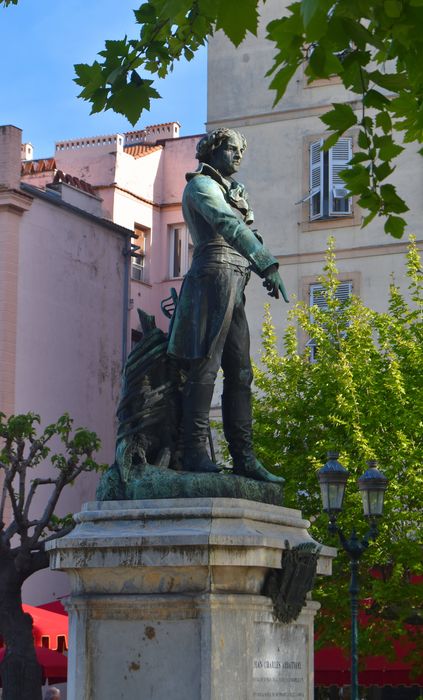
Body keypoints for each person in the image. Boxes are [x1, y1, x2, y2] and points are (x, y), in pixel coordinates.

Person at [167, 128, 288, 482]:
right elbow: (226, 222)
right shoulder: (202, 187)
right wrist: (266, 260)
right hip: (213, 275)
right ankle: (193, 450)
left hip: (235, 278)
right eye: (233, 149)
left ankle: (244, 459)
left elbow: (243, 230)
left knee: (242, 372)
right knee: (206, 364)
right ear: (213, 150)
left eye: (242, 151)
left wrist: (257, 264)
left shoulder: (227, 189)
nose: (239, 156)